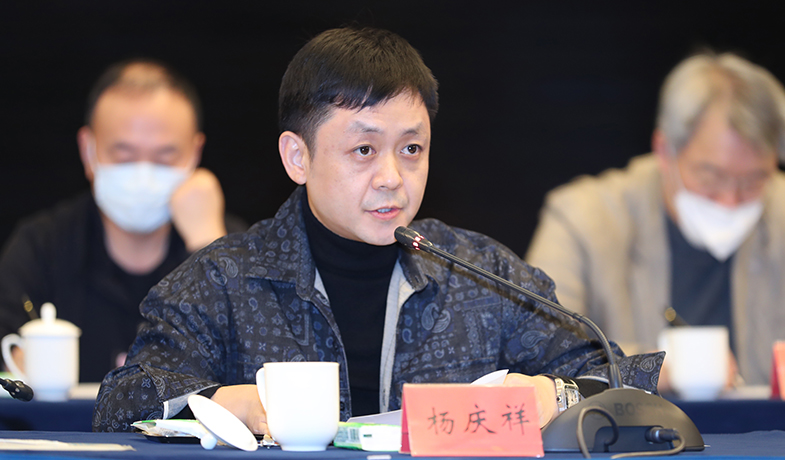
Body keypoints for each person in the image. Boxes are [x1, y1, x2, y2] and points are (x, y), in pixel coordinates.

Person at [93, 27, 662, 433]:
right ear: (297, 157)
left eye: (411, 149)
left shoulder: (481, 274)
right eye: (364, 149)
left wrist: (553, 394)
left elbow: (626, 380)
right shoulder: (222, 279)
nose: (392, 177)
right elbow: (121, 404)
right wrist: (223, 404)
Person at [526, 52, 785, 387]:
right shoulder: (583, 219)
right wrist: (651, 369)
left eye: (754, 181)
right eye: (711, 177)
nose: (731, 200)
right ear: (664, 150)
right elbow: (537, 350)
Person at [0, 59, 245, 383]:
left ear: (195, 153)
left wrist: (209, 246)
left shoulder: (235, 245)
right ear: (88, 150)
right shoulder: (41, 248)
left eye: (164, 157)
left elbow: (261, 365)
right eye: (124, 155)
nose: (143, 173)